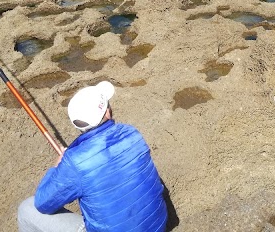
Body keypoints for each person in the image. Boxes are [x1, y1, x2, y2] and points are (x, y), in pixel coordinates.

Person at [18, 81, 168, 232]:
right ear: (107, 113)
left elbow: (43, 203)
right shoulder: (132, 133)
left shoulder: (75, 161)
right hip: (158, 226)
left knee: (27, 209)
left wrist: (56, 168)